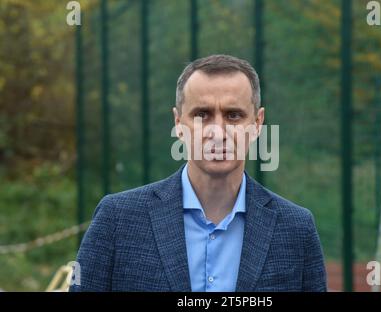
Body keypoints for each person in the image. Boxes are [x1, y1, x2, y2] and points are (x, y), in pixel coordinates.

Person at [70, 54, 327, 292]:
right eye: (202, 114)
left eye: (233, 115)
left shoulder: (296, 229)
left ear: (257, 123)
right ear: (178, 123)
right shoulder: (118, 220)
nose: (217, 131)